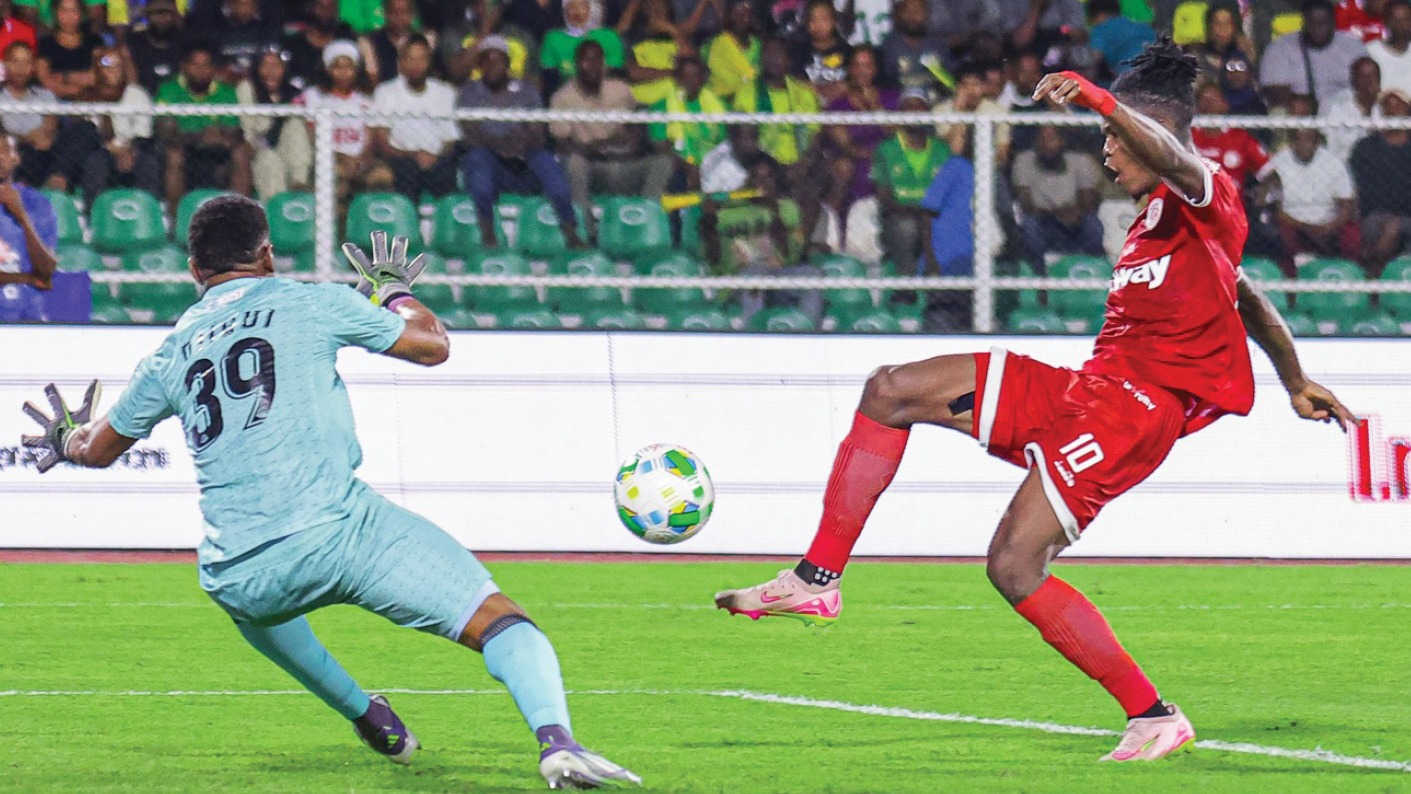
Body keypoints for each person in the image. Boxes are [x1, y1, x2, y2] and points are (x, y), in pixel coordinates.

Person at [713, 38, 1354, 763]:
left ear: (1153, 132)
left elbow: (1175, 160)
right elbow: (1249, 300)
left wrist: (1100, 99)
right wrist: (1294, 381)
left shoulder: (1207, 190)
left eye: (1115, 138)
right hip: (1085, 390)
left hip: (1133, 414)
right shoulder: (1160, 223)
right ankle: (815, 580)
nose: (1107, 150)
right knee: (890, 390)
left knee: (1014, 565)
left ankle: (1152, 716)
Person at [18, 202, 640, 789]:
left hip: (242, 570)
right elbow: (432, 345)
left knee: (249, 599)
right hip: (343, 534)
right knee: (500, 622)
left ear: (193, 271)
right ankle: (556, 741)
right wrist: (392, 290)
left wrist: (67, 436)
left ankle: (368, 716)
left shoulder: (169, 354)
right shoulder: (308, 301)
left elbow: (95, 448)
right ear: (267, 256)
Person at [458, 36, 582, 249]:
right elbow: (470, 133)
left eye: (498, 60)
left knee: (546, 160)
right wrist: (501, 143)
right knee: (477, 158)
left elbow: (538, 132)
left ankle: (570, 231)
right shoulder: (469, 92)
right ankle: (488, 233)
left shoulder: (526, 91)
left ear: (507, 63)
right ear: (480, 65)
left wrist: (519, 143)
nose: (493, 66)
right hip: (491, 164)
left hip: (524, 160)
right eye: (487, 61)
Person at [550, 39, 672, 224]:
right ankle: (584, 226)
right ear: (577, 63)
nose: (592, 66)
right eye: (586, 60)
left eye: (597, 60)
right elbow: (562, 145)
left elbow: (639, 119)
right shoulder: (562, 97)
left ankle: (645, 219)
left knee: (664, 162)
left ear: (604, 64)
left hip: (624, 164)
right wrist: (600, 145)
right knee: (574, 163)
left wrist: (635, 136)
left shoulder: (620, 89)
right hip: (592, 168)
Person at [155, 40, 253, 211]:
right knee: (174, 154)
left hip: (217, 148)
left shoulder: (226, 91)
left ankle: (239, 214)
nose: (201, 70)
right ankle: (175, 217)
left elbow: (234, 131)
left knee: (242, 151)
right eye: (195, 65)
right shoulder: (168, 89)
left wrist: (221, 137)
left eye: (206, 65)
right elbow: (165, 131)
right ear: (184, 66)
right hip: (183, 147)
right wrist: (200, 136)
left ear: (214, 69)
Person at [295, 40, 390, 207]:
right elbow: (312, 136)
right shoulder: (315, 97)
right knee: (336, 173)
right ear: (327, 69)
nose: (344, 73)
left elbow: (370, 139)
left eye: (349, 67)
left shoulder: (366, 101)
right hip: (329, 160)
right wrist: (341, 157)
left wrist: (359, 160)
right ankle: (337, 221)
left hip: (360, 161)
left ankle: (369, 219)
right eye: (337, 67)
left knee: (382, 174)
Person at [370, 34, 461, 200]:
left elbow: (450, 140)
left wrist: (434, 157)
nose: (416, 65)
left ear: (429, 62)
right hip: (401, 160)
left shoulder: (445, 92)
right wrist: (413, 156)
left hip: (437, 161)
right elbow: (381, 140)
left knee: (446, 174)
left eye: (421, 59)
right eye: (410, 59)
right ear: (401, 62)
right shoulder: (385, 92)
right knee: (407, 172)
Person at [871, 91, 951, 270]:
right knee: (906, 227)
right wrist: (916, 213)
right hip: (900, 216)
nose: (914, 111)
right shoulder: (886, 149)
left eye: (919, 106)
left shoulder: (942, 150)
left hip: (935, 218)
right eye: (909, 106)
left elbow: (949, 195)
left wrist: (929, 217)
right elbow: (884, 198)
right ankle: (907, 279)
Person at [1267, 125, 1360, 275]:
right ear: (1291, 141)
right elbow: (1275, 209)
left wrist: (1330, 226)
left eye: (1309, 139)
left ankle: (1348, 275)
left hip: (1329, 222)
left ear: (1318, 141)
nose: (1304, 144)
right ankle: (1290, 281)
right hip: (1293, 222)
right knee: (1281, 236)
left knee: (1352, 236)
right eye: (1299, 139)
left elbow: (1347, 204)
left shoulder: (1333, 162)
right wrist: (1305, 227)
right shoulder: (1278, 162)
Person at [79, 46, 161, 204]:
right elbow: (88, 132)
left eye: (118, 66)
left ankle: (147, 209)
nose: (113, 71)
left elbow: (143, 132)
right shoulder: (88, 96)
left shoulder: (137, 94)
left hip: (133, 148)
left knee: (147, 163)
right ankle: (95, 212)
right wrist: (112, 149)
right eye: (107, 66)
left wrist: (129, 150)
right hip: (103, 149)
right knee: (95, 162)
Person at [1012, 125, 1104, 267]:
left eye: (1051, 139)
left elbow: (1088, 202)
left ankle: (1091, 270)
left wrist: (1074, 214)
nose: (1046, 144)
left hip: (1074, 222)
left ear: (1062, 141)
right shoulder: (1024, 161)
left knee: (1093, 224)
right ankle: (1038, 273)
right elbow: (1026, 204)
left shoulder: (1080, 161)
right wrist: (1057, 214)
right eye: (1042, 139)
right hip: (1043, 221)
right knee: (1030, 226)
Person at [1259, 0, 1367, 110]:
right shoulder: (1280, 48)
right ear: (1303, 23)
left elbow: (1368, 87)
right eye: (1312, 23)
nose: (1317, 28)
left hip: (1347, 112)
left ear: (1334, 23)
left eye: (1323, 23)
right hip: (1299, 114)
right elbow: (1274, 92)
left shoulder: (1353, 47)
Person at [1350, 88, 1411, 275]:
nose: (1393, 111)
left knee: (1394, 227)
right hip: (1374, 216)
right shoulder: (1366, 147)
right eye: (1388, 106)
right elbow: (1356, 190)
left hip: (1408, 215)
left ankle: (1372, 268)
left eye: (1398, 106)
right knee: (1388, 227)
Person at [238, 47, 312, 200]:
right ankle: (276, 206)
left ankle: (299, 184)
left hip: (287, 150)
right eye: (265, 65)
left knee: (295, 125)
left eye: (276, 65)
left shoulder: (293, 93)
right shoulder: (247, 89)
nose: (271, 71)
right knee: (270, 159)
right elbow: (248, 131)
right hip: (259, 148)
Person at [0, 134, 56, 322]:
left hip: (28, 316)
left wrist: (21, 215)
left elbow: (46, 271)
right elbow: (40, 280)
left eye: (4, 150)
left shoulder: (37, 203)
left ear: (16, 158)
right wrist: (28, 279)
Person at [648, 55, 726, 189]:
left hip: (715, 163)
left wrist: (710, 164)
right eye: (684, 76)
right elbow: (660, 146)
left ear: (703, 79)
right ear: (676, 79)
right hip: (680, 166)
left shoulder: (719, 106)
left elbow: (725, 143)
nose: (690, 81)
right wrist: (688, 166)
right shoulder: (661, 107)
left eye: (695, 76)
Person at [0, 41, 61, 189]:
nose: (21, 68)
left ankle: (59, 178)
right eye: (15, 62)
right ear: (5, 65)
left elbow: (51, 123)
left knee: (85, 128)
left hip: (47, 150)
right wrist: (28, 138)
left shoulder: (45, 95)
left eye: (27, 62)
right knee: (25, 151)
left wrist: (44, 135)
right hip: (17, 153)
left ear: (33, 66)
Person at [539, 0, 625, 98]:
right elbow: (549, 77)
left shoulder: (609, 37)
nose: (576, 11)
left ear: (593, 9)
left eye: (582, 6)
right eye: (571, 7)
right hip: (566, 95)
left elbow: (615, 72)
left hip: (604, 93)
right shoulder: (553, 38)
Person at [619, 0, 694, 105]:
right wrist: (673, 73)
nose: (658, 11)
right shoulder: (633, 37)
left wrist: (672, 30)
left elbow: (692, 63)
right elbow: (634, 72)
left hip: (677, 95)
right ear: (643, 10)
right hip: (646, 100)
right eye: (653, 7)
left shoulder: (674, 37)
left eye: (662, 7)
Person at [876, 0, 952, 100]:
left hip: (935, 103)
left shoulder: (938, 44)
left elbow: (949, 81)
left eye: (918, 11)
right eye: (907, 11)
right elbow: (884, 86)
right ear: (900, 14)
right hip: (901, 105)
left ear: (926, 14)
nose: (912, 16)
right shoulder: (888, 47)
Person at [35, 0, 102, 101]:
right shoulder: (46, 43)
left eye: (74, 10)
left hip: (88, 102)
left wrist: (65, 76)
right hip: (53, 102)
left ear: (82, 13)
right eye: (64, 10)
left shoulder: (94, 41)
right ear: (55, 13)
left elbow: (96, 77)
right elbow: (44, 79)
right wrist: (75, 87)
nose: (69, 16)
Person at [1320, 56, 1382, 161]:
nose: (1368, 81)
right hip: (1343, 164)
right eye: (1362, 76)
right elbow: (1329, 148)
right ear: (1353, 79)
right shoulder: (1334, 105)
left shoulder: (1386, 106)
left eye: (1372, 76)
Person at [789, 0, 850, 104]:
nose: (818, 25)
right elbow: (796, 80)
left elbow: (852, 81)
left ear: (835, 21)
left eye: (824, 19)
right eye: (813, 20)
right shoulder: (799, 51)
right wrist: (818, 89)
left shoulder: (847, 51)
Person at [360, 0, 433, 84]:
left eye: (404, 12)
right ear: (385, 13)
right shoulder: (371, 42)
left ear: (413, 14)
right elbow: (372, 77)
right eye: (394, 12)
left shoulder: (424, 41)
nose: (399, 17)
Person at [122, 0, 184, 95]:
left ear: (174, 17)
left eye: (166, 14)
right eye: (157, 14)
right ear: (148, 16)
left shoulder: (184, 43)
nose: (162, 19)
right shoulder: (134, 42)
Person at [702, 0, 759, 101]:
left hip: (749, 99)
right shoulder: (721, 43)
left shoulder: (757, 44)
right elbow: (748, 76)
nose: (745, 18)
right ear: (729, 15)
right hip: (721, 102)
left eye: (748, 13)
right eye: (739, 14)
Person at [211, 0, 279, 81]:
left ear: (256, 5)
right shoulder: (215, 27)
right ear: (230, 5)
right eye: (239, 4)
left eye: (248, 4)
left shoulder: (268, 28)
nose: (244, 9)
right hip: (225, 83)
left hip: (260, 82)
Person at [1190, 2, 1256, 86]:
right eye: (1217, 23)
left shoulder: (1244, 57)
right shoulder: (1197, 60)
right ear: (1209, 27)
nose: (1222, 29)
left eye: (1227, 23)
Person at [1086, 0, 1155, 80]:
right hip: (1155, 71)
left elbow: (1095, 58)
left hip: (1129, 76)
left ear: (1100, 15)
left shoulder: (1100, 30)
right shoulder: (1143, 27)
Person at [1368, 0, 1411, 95]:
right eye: (1398, 20)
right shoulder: (1372, 53)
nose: (1405, 25)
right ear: (1386, 23)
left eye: (1408, 19)